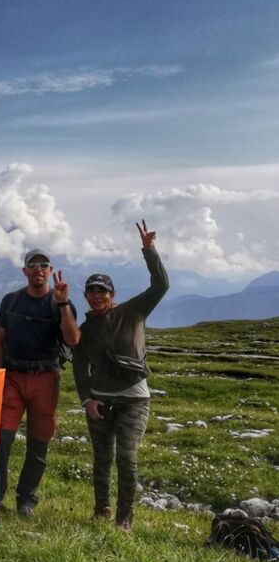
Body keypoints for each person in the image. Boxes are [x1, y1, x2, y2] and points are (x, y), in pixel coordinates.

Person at [74, 221, 169, 530]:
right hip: (100, 401)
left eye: (102, 290)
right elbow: (78, 366)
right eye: (91, 290)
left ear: (112, 294)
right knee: (101, 459)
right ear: (86, 295)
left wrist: (149, 250)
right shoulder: (85, 329)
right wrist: (86, 399)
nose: (96, 295)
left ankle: (124, 519)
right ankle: (101, 510)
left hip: (134, 401)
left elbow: (161, 286)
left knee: (126, 458)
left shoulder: (134, 311)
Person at [0, 250, 79, 517]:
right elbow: (0, 338)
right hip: (14, 377)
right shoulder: (11, 301)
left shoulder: (61, 303)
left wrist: (63, 304)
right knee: (1, 439)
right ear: (25, 271)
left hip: (46, 378)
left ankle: (26, 499)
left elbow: (73, 340)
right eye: (33, 265)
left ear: (50, 270)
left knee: (39, 441)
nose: (38, 269)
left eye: (43, 265)